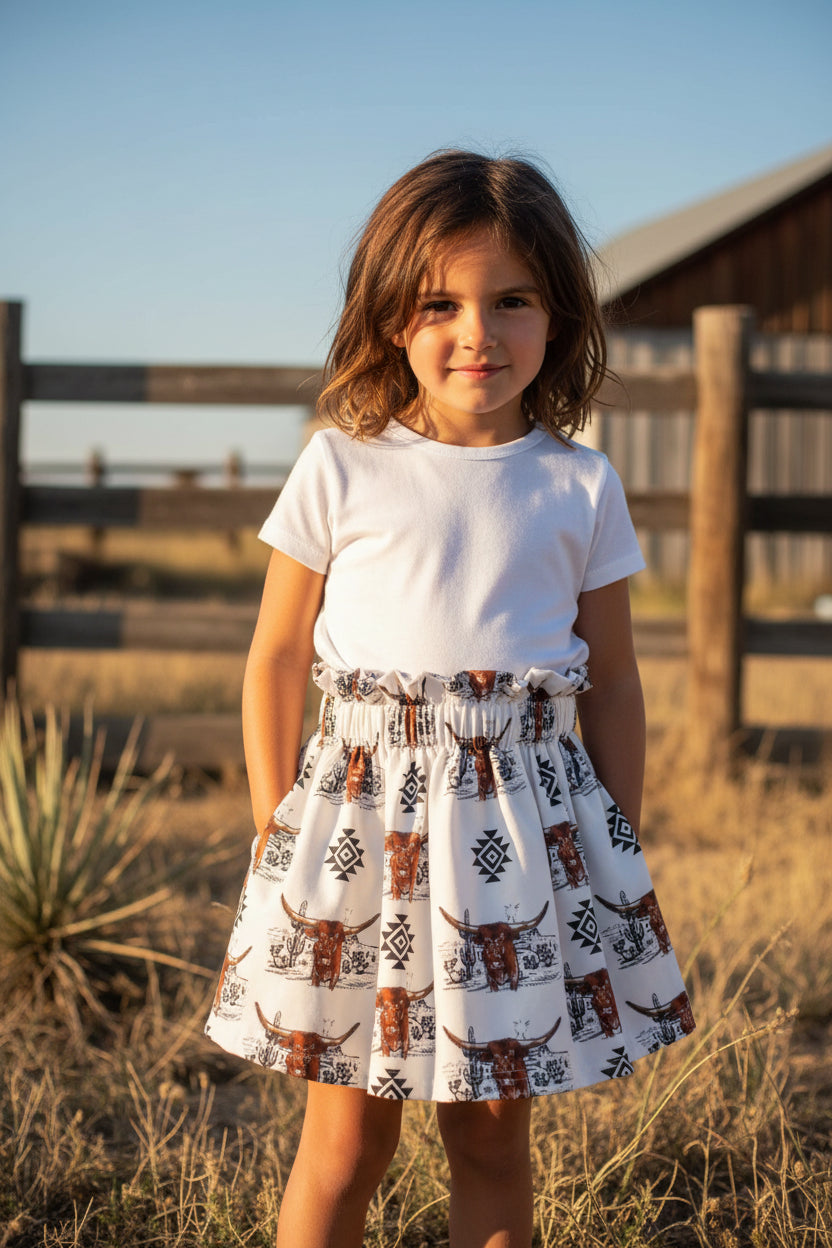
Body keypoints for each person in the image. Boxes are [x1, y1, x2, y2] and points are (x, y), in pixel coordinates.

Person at [205, 149, 695, 1248]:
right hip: (359, 842)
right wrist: (275, 821)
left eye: (510, 301)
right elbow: (277, 656)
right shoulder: (339, 466)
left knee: (486, 1137)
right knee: (347, 1144)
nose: (476, 334)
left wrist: (611, 836)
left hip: (518, 844)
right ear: (389, 320)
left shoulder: (579, 484)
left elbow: (612, 680)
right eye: (439, 303)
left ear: (558, 317)